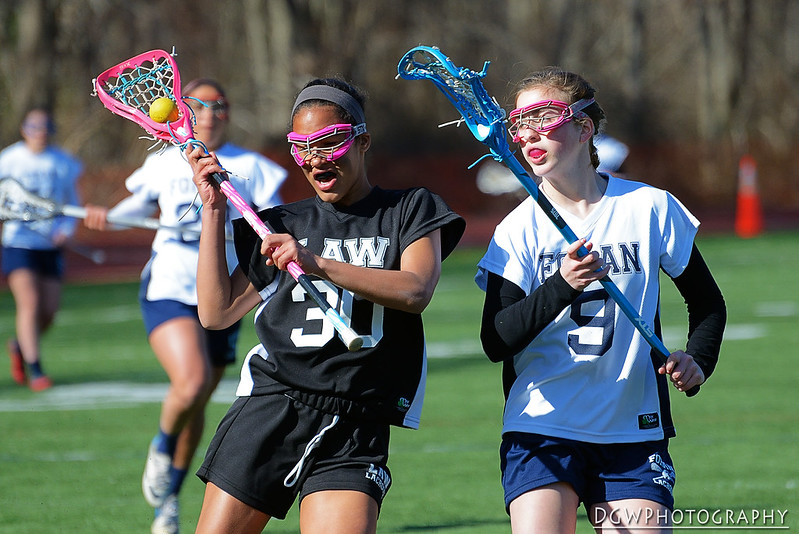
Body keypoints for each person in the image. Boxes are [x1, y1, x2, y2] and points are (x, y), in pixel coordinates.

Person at [186, 77, 465, 533]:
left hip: (357, 421)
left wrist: (314, 261)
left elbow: (415, 291)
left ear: (362, 140)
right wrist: (214, 210)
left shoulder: (410, 209)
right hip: (273, 408)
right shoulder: (280, 223)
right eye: (303, 147)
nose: (316, 158)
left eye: (330, 142)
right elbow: (216, 313)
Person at [476, 67, 726, 534]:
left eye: (543, 118)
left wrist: (698, 359)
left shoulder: (649, 207)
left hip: (632, 428)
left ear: (583, 127)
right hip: (541, 426)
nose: (528, 134)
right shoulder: (517, 228)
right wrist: (562, 284)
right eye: (518, 124)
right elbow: (496, 339)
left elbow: (708, 303)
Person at [83, 79, 288, 534]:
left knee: (198, 403)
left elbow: (275, 221)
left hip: (225, 294)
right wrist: (106, 216)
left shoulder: (252, 167)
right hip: (170, 286)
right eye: (198, 104)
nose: (209, 114)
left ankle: (169, 500)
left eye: (219, 105)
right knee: (192, 381)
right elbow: (132, 207)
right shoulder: (163, 162)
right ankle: (161, 444)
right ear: (183, 110)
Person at [1, 107, 83, 392]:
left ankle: (20, 346)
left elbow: (72, 204)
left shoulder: (63, 163)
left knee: (48, 311)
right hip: (18, 243)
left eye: (45, 126)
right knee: (30, 303)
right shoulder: (8, 160)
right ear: (24, 129)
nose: (40, 132)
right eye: (34, 127)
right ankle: (36, 370)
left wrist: (66, 231)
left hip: (49, 246)